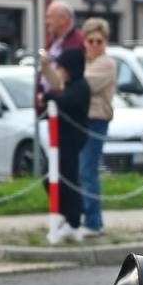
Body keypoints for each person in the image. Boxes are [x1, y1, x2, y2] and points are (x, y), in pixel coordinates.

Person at [44, 47, 90, 244]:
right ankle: (67, 216)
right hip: (63, 140)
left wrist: (49, 97)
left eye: (62, 67)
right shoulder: (70, 85)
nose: (59, 70)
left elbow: (67, 101)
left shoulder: (80, 87)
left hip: (72, 140)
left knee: (68, 180)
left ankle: (73, 222)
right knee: (51, 178)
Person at [77, 18, 116, 237]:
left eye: (98, 41)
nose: (94, 45)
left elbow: (83, 85)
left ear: (105, 42)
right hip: (80, 120)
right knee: (79, 171)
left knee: (88, 171)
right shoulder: (85, 61)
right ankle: (84, 217)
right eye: (90, 41)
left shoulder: (105, 63)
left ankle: (93, 221)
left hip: (96, 120)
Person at [37, 0, 83, 109]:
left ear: (64, 20)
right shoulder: (53, 42)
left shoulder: (78, 43)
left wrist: (49, 97)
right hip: (49, 107)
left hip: (65, 109)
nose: (46, 22)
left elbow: (63, 81)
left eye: (50, 17)